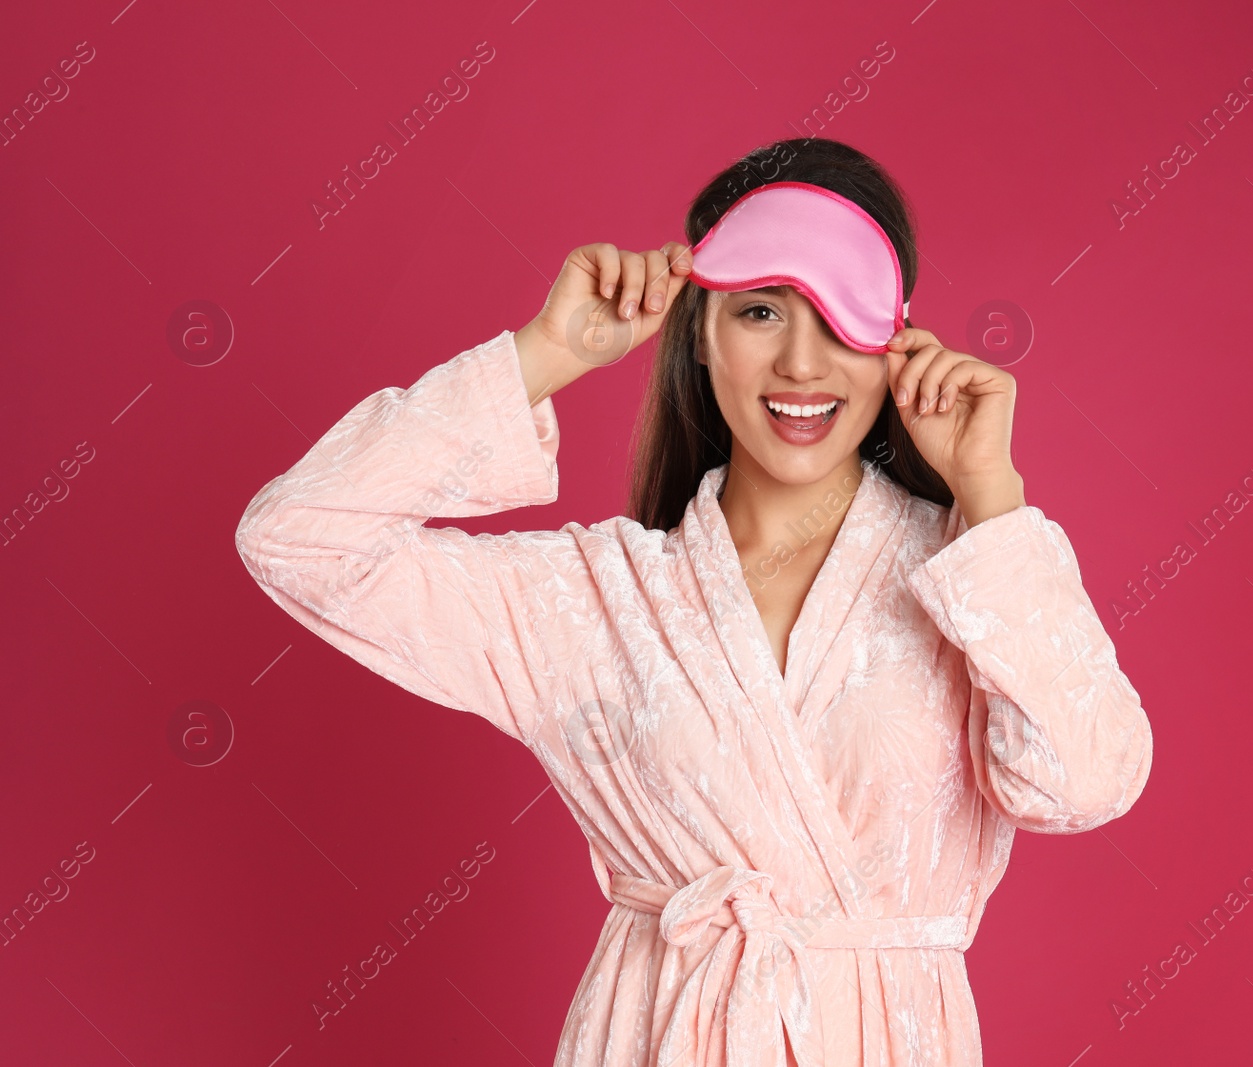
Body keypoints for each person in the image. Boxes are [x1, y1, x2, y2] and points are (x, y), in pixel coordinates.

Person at [235, 137, 1153, 1067]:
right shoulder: (599, 599)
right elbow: (298, 538)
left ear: (895, 342)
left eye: (842, 318)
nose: (803, 361)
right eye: (760, 310)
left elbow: (1086, 782)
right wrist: (543, 355)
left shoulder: (967, 571)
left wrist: (990, 496)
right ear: (701, 332)